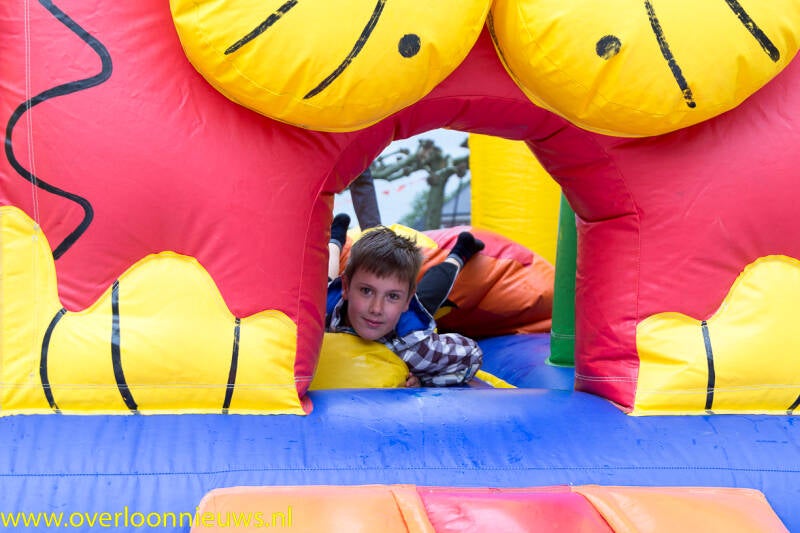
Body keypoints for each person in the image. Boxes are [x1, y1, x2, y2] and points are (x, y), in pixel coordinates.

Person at [326, 213, 485, 387]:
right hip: (336, 299)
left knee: (431, 293)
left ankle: (460, 252)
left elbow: (472, 355)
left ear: (408, 300)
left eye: (392, 296)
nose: (376, 308)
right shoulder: (321, 312)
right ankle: (335, 238)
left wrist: (425, 381)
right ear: (346, 288)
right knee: (325, 279)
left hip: (401, 321)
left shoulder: (414, 345)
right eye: (366, 291)